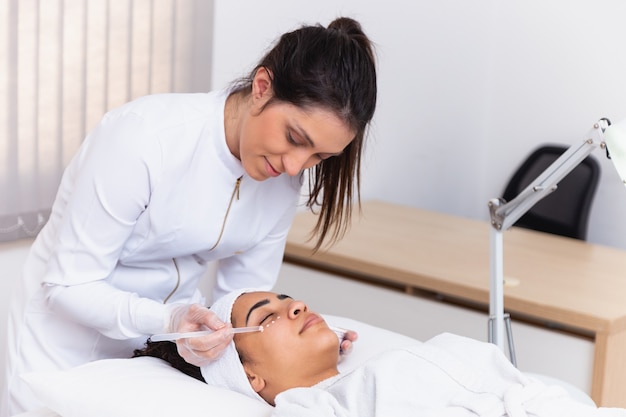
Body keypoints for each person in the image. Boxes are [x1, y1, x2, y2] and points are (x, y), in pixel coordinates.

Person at [1, 16, 377, 416]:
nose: (295, 167)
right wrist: (169, 317)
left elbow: (243, 305)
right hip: (62, 344)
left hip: (159, 352)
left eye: (319, 156)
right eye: (294, 139)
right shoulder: (144, 140)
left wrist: (306, 346)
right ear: (262, 88)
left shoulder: (281, 181)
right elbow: (68, 286)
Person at [136, 289, 626, 417]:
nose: (297, 305)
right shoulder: (323, 406)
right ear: (251, 380)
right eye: (268, 317)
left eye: (290, 299)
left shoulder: (376, 370)